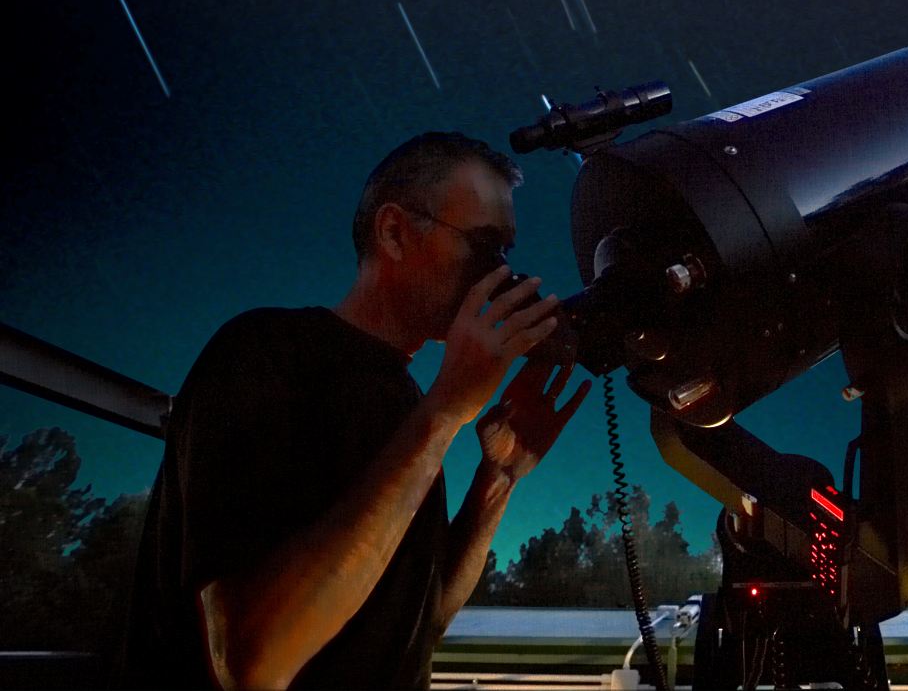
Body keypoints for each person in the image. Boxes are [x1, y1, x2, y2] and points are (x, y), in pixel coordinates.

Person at [119, 132, 591, 690]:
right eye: (484, 247)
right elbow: (251, 661)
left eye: (506, 254)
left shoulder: (405, 405)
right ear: (393, 232)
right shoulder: (263, 352)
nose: (501, 276)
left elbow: (424, 616)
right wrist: (444, 413)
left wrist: (498, 478)